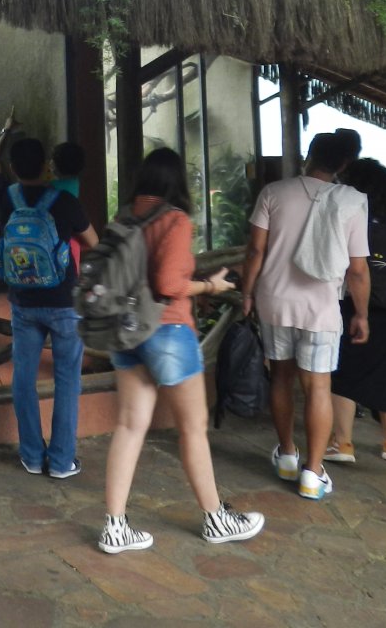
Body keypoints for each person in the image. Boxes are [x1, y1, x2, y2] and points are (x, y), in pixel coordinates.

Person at [99, 148, 266, 554]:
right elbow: (170, 284)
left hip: (126, 329)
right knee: (193, 427)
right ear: (176, 182)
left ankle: (115, 526)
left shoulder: (121, 220)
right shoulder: (174, 220)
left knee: (129, 425)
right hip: (168, 330)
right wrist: (211, 287)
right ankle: (216, 519)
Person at [242, 130, 371, 500]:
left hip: (275, 301)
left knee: (280, 378)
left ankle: (286, 455)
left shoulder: (273, 192)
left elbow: (255, 251)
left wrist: (247, 293)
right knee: (318, 388)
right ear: (344, 164)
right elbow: (358, 269)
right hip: (321, 307)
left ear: (309, 154)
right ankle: (312, 474)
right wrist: (361, 313)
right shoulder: (351, 201)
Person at [0, 115, 99, 478]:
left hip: (23, 303)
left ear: (14, 168)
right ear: (45, 166)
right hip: (65, 302)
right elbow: (94, 243)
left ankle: (33, 457)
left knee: (23, 378)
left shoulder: (6, 197)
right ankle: (63, 461)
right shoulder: (64, 200)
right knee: (68, 379)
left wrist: (5, 132)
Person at [325, 158, 386, 466]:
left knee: (343, 372)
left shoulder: (349, 218)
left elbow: (354, 270)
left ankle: (343, 443)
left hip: (355, 306)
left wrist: (359, 311)